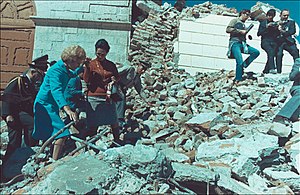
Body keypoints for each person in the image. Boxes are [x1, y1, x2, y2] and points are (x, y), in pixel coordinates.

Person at [32, 45, 89, 160]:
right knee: (62, 133)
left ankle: (47, 156)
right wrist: (67, 109)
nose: (78, 65)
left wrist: (82, 67)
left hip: (51, 105)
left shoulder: (64, 68)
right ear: (71, 60)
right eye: (77, 62)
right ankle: (54, 161)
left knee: (53, 132)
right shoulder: (56, 71)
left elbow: (72, 74)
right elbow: (56, 91)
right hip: (44, 105)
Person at [83, 39, 121, 145]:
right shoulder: (91, 64)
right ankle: (91, 143)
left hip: (107, 96)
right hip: (94, 96)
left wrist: (114, 80)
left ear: (107, 53)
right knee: (93, 122)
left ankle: (117, 140)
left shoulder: (111, 65)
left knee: (113, 120)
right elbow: (86, 80)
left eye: (103, 54)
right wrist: (86, 67)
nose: (100, 56)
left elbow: (117, 77)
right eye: (98, 53)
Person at [1, 68, 42, 161]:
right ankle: (7, 163)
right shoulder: (18, 81)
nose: (39, 78)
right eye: (38, 75)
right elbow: (7, 96)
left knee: (32, 124)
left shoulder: (30, 83)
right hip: (14, 113)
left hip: (22, 112)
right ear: (32, 72)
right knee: (15, 140)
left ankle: (28, 149)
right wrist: (7, 114)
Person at [226, 9, 260, 83]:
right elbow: (228, 29)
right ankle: (238, 78)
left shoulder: (244, 24)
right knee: (239, 61)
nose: (247, 17)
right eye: (247, 15)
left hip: (243, 44)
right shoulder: (235, 20)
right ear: (242, 13)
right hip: (235, 43)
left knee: (256, 52)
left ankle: (243, 65)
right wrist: (239, 31)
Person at [116, 60, 152, 127]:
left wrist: (147, 101)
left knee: (123, 103)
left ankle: (118, 122)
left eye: (145, 69)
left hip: (123, 90)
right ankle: (119, 121)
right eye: (142, 68)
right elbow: (116, 73)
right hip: (115, 86)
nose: (143, 71)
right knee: (121, 99)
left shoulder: (137, 79)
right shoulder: (129, 69)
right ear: (138, 65)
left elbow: (140, 90)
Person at [273, 58, 300, 124]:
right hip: (298, 87)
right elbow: (292, 77)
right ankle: (281, 115)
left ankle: (294, 115)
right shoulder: (299, 61)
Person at [276, 9, 300, 73]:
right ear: (280, 15)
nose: (286, 17)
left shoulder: (291, 22)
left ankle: (297, 71)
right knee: (279, 55)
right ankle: (278, 72)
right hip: (279, 42)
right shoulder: (276, 23)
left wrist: (282, 31)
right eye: (284, 15)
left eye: (287, 15)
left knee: (296, 53)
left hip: (289, 41)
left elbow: (292, 31)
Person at [257, 9, 280, 74]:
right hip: (265, 41)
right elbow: (258, 33)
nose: (270, 17)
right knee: (270, 52)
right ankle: (272, 68)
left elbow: (277, 35)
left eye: (272, 16)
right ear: (267, 15)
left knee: (272, 54)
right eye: (269, 15)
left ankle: (266, 70)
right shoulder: (263, 23)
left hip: (273, 42)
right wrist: (266, 27)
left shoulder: (274, 23)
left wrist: (277, 28)